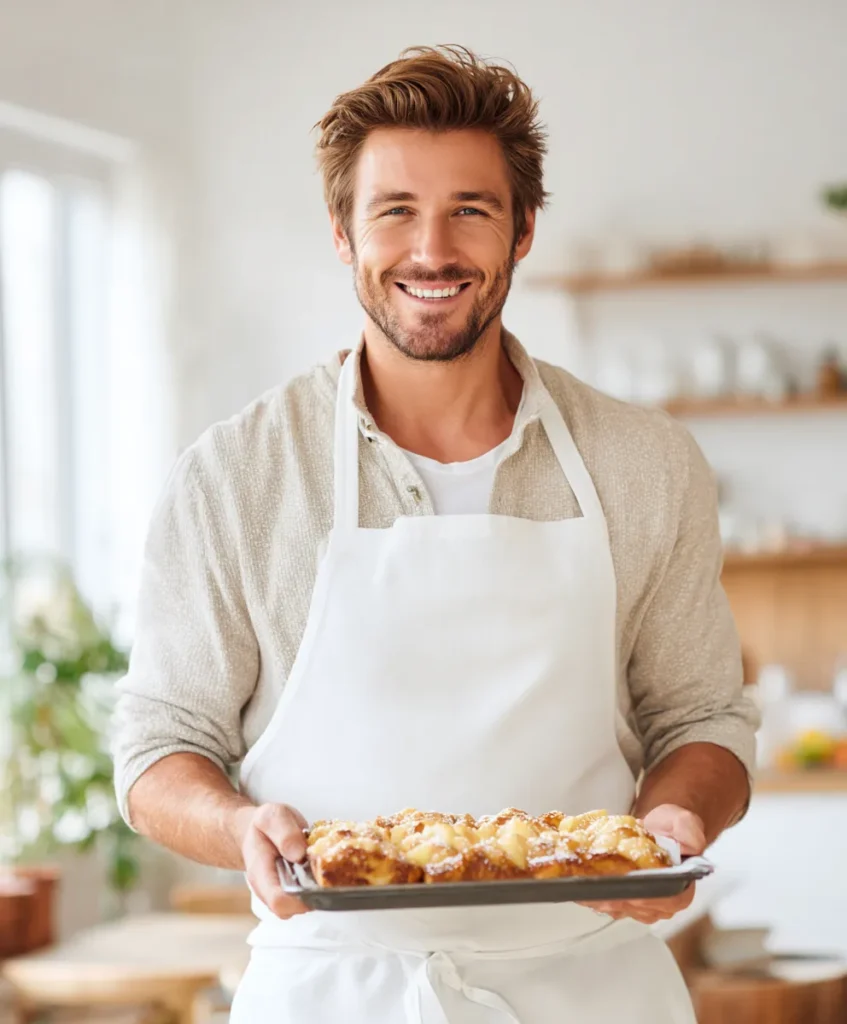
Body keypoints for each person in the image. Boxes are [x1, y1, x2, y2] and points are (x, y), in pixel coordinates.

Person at [112, 44, 758, 1024]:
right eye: (395, 211)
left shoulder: (644, 464)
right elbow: (161, 745)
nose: (431, 250)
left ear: (523, 228)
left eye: (470, 209)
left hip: (590, 988)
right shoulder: (235, 475)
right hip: (331, 989)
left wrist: (677, 817)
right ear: (342, 232)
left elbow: (702, 718)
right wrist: (237, 825)